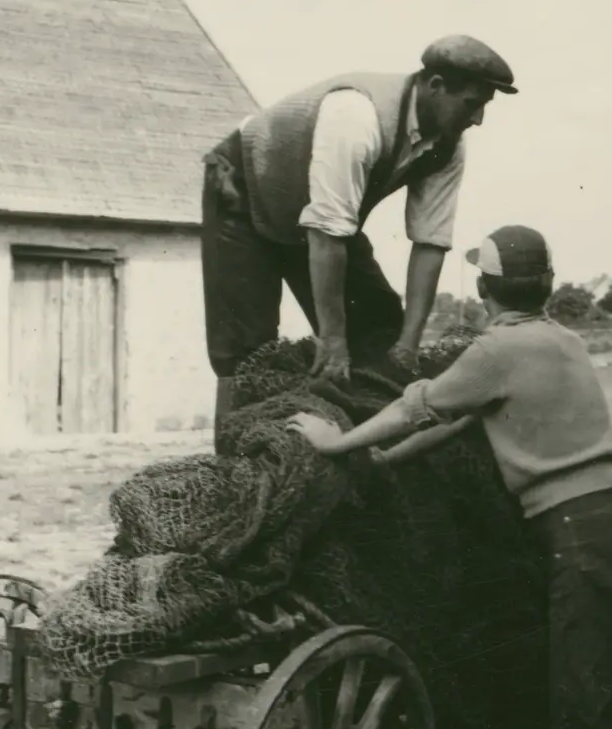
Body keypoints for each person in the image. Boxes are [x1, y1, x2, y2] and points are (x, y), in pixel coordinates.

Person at [286, 225, 612, 729]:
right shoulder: (562, 341)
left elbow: (416, 407)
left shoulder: (494, 352)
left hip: (580, 540)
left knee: (583, 713)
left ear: (484, 289)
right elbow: (459, 423)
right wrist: (387, 464)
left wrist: (335, 444)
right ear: (548, 285)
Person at [200, 35, 518, 439]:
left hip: (318, 218)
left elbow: (430, 241)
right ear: (435, 86)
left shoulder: (449, 145)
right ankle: (235, 473)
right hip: (242, 191)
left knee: (380, 329)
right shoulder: (356, 117)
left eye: (484, 107)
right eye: (472, 104)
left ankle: (372, 455)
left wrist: (408, 341)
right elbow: (327, 233)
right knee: (247, 354)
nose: (477, 120)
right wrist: (332, 340)